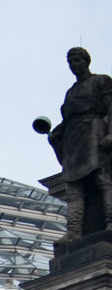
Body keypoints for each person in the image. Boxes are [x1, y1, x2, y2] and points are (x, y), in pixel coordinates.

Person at [36, 47, 112, 238]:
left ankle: (110, 221)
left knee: (102, 179)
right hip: (74, 139)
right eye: (70, 62)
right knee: (74, 188)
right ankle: (74, 230)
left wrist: (111, 133)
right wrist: (57, 134)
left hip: (94, 131)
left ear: (86, 61)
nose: (73, 65)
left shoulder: (101, 81)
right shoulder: (70, 92)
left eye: (77, 61)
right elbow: (68, 120)